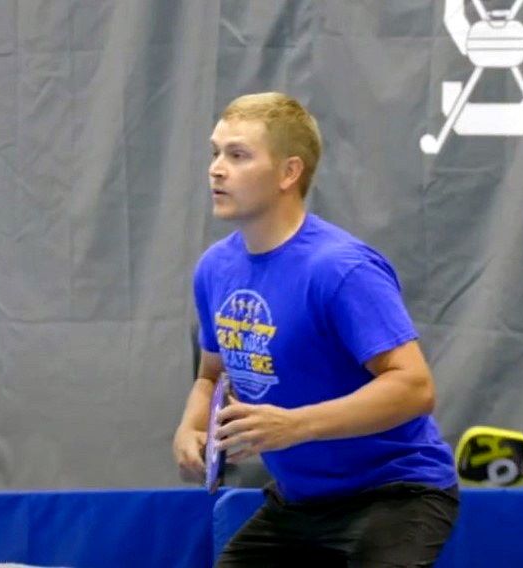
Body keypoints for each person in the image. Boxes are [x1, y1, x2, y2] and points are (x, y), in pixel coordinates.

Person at [172, 92, 459, 566]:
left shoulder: (341, 269)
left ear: (289, 173)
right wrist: (192, 426)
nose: (217, 169)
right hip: (299, 502)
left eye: (238, 155)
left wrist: (296, 425)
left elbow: (414, 387)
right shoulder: (214, 269)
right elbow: (211, 377)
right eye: (215, 152)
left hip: (395, 494)